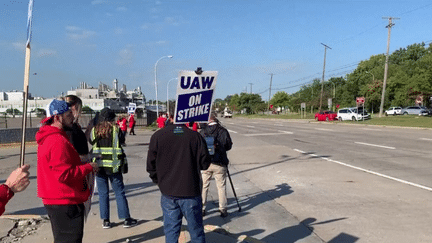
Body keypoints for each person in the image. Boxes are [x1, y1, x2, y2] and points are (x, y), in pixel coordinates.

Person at [36, 99, 98, 243]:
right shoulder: (57, 141)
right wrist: (89, 167)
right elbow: (64, 174)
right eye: (69, 115)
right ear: (57, 117)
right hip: (64, 200)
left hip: (58, 198)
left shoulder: (51, 138)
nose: (72, 118)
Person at [147, 116, 211, 243]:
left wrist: (159, 181)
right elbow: (205, 163)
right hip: (190, 190)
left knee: (171, 230)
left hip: (168, 191)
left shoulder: (158, 136)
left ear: (171, 118)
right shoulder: (195, 137)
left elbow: (150, 165)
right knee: (196, 231)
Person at [89, 107, 137, 229]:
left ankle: (106, 221)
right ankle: (126, 219)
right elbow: (121, 141)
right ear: (111, 119)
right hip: (114, 166)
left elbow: (91, 142)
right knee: (119, 192)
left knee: (103, 194)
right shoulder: (116, 130)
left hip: (99, 166)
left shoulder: (94, 130)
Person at [64, 95, 95, 220]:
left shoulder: (74, 126)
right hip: (79, 168)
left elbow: (83, 142)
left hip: (83, 166)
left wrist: (88, 129)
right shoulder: (69, 128)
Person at [200, 113, 233, 217]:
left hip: (206, 163)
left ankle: (202, 208)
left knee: (204, 186)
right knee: (221, 186)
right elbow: (228, 146)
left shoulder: (203, 131)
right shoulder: (223, 130)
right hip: (220, 163)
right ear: (216, 119)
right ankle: (223, 209)